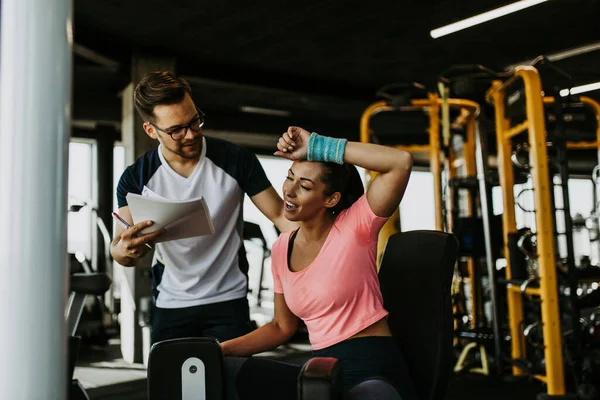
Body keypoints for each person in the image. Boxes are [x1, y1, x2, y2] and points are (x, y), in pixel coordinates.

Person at [220, 126, 416, 400]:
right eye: (290, 178)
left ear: (331, 198)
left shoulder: (355, 227)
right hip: (322, 372)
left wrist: (316, 145)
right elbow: (281, 327)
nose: (289, 191)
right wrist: (220, 350)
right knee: (218, 371)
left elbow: (400, 162)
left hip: (373, 370)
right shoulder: (281, 249)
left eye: (305, 186)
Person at [110, 71, 295, 344]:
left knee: (229, 384)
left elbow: (280, 215)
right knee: (170, 386)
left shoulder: (236, 160)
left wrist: (327, 247)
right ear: (151, 130)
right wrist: (126, 250)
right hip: (171, 302)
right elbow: (120, 248)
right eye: (176, 130)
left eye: (195, 120)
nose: (191, 134)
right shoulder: (136, 177)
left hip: (228, 299)